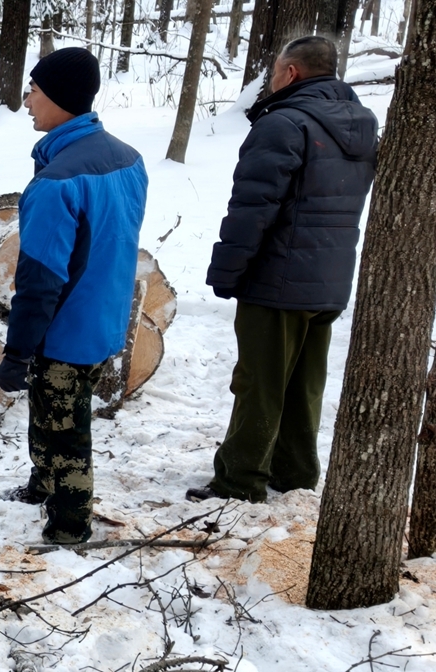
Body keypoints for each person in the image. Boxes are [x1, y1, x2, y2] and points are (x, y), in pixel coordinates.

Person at [187, 36, 378, 502]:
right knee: (304, 382)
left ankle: (240, 480)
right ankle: (294, 471)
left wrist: (228, 270)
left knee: (260, 381)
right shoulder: (361, 123)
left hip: (277, 278)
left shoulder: (284, 123)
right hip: (329, 280)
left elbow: (253, 208)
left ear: (291, 73)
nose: (271, 79)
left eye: (274, 70)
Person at [0, 47, 148, 545]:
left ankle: (69, 525)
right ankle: (43, 484)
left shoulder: (56, 183)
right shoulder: (127, 158)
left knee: (65, 430)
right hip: (106, 316)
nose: (27, 101)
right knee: (50, 408)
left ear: (59, 98)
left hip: (69, 329)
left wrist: (17, 352)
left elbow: (39, 281)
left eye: (34, 91)